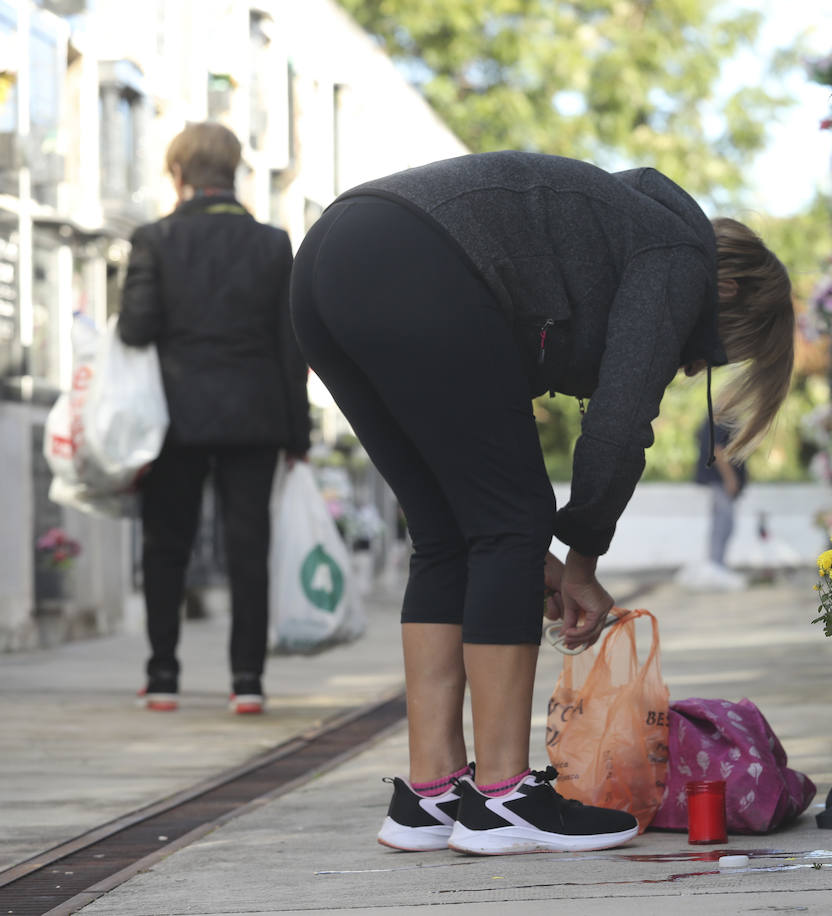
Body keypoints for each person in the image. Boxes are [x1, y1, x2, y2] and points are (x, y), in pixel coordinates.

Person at [288, 151, 793, 855]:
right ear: (729, 286)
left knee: (446, 534)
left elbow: (484, 506)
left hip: (329, 262)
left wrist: (534, 555)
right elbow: (618, 426)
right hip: (414, 261)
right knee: (509, 520)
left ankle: (429, 794)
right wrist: (578, 558)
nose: (688, 364)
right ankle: (502, 797)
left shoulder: (608, 229)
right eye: (711, 349)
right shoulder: (679, 257)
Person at [118, 122, 309, 715]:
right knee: (248, 547)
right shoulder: (274, 243)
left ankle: (164, 676)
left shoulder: (155, 238)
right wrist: (297, 433)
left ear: (178, 174)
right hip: (255, 417)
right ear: (234, 174)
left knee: (165, 545)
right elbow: (291, 345)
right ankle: (247, 681)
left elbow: (134, 329)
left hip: (173, 420)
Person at [681, 418, 749, 591]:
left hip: (720, 481)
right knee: (723, 523)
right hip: (720, 481)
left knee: (724, 523)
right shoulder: (721, 417)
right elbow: (717, 449)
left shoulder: (719, 416)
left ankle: (717, 565)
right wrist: (730, 477)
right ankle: (715, 566)